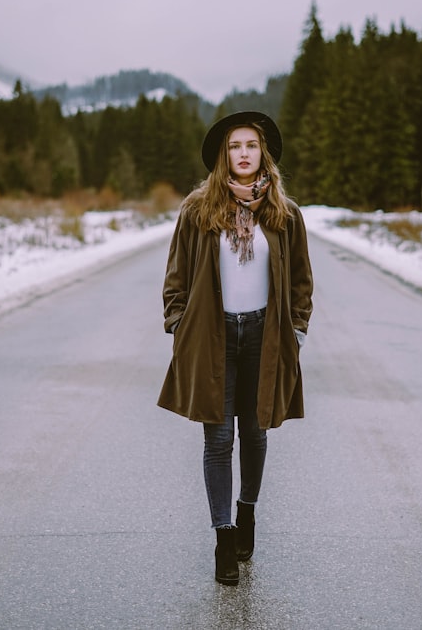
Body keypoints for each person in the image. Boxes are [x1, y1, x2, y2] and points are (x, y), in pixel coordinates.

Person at [157, 110, 314, 586]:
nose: (242, 154)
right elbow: (176, 277)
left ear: (262, 154)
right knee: (218, 438)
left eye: (250, 146)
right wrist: (179, 324)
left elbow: (302, 283)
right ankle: (224, 538)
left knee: (256, 432)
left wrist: (297, 332)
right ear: (223, 156)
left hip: (264, 336)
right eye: (233, 147)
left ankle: (247, 512)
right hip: (213, 337)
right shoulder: (197, 209)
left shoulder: (284, 214)